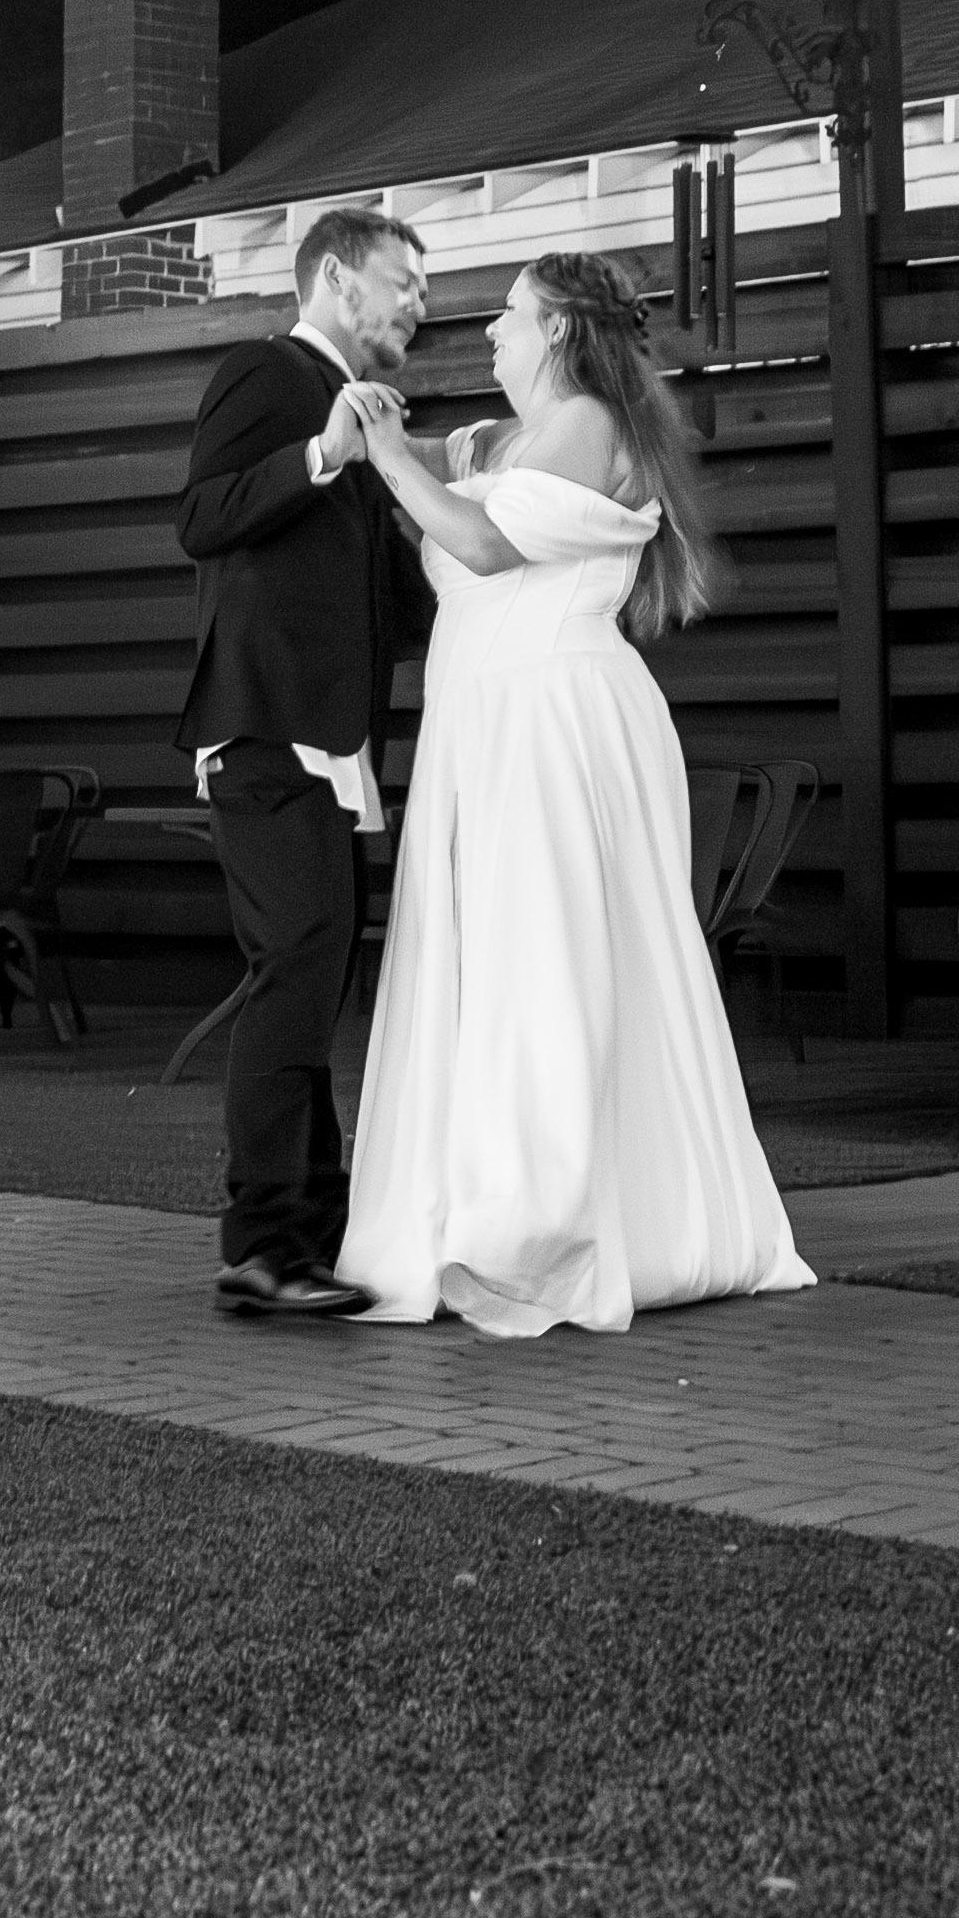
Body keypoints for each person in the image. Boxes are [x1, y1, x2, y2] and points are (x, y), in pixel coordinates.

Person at [330, 250, 814, 1335]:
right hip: (484, 722)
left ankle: (541, 1223)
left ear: (555, 330)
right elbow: (438, 471)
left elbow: (482, 542)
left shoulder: (591, 423)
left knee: (547, 957)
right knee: (493, 959)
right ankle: (481, 1207)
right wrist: (371, 425)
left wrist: (387, 457)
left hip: (552, 719)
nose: (489, 329)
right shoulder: (501, 440)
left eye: (509, 312)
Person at [172, 205, 431, 1318]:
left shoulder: (361, 412)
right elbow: (201, 517)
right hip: (266, 732)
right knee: (297, 970)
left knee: (314, 978)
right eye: (403, 282)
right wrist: (322, 452)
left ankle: (310, 1238)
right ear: (335, 277)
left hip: (330, 744)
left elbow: (398, 602)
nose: (419, 304)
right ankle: (264, 1245)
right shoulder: (266, 374)